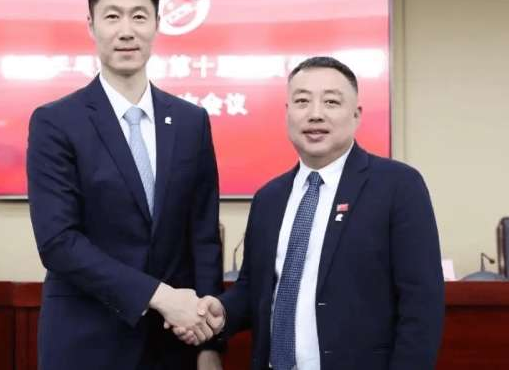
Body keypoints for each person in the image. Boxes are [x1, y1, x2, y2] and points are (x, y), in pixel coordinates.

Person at [176, 56, 445, 370]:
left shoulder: (398, 186)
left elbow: (421, 304)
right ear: (287, 113)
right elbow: (254, 289)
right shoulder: (269, 198)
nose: (315, 114)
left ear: (356, 115)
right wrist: (222, 313)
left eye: (331, 102)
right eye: (302, 101)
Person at [27, 0, 223, 370]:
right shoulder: (56, 122)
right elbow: (58, 242)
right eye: (112, 16)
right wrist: (161, 296)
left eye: (139, 16)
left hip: (173, 344)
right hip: (85, 342)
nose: (126, 31)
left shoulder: (191, 122)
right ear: (91, 24)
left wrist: (209, 344)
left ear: (157, 24)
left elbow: (203, 237)